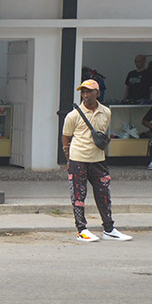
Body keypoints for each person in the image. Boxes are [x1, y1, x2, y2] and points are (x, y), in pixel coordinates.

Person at [61, 79, 132, 243]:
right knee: (79, 196)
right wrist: (68, 159)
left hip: (98, 160)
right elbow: (66, 137)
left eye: (89, 92)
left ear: (97, 93)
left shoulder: (106, 112)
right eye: (83, 92)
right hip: (78, 159)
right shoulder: (73, 115)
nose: (86, 95)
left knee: (104, 194)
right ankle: (82, 229)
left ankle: (109, 228)